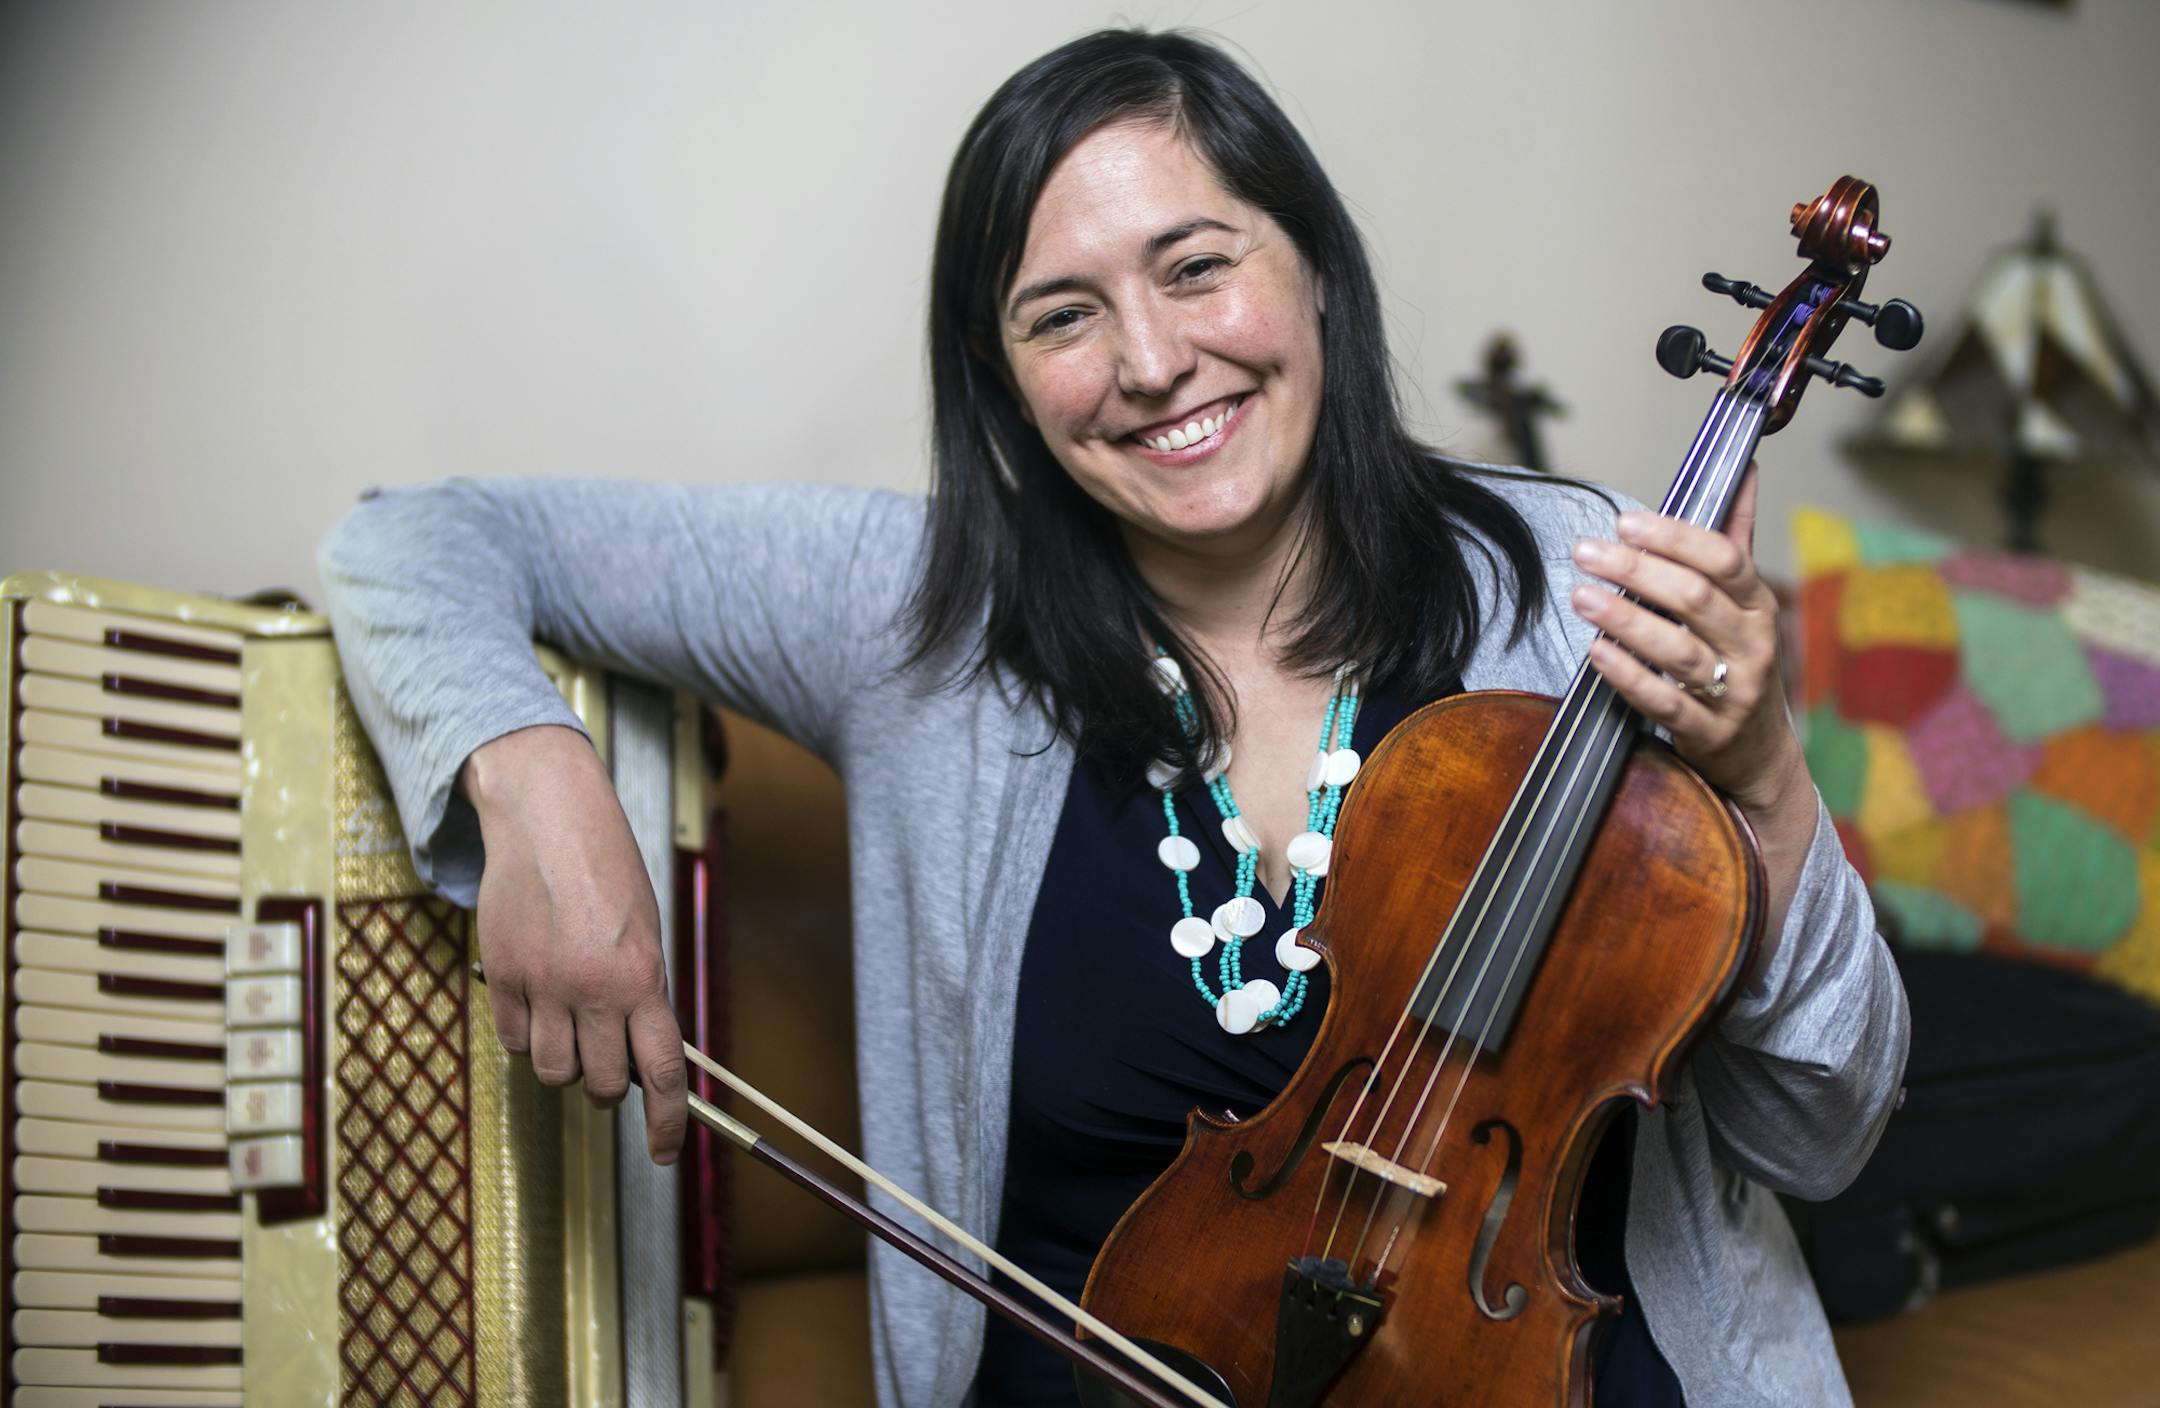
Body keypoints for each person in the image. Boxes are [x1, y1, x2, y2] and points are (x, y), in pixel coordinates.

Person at [318, 28, 1907, 1408]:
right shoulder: (915, 615)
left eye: (1199, 264)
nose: (1152, 363)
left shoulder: (1579, 584)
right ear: (1002, 377)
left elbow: (1822, 1131)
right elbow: (412, 536)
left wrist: (1760, 772)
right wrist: (529, 777)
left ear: (1316, 273)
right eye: (1060, 315)